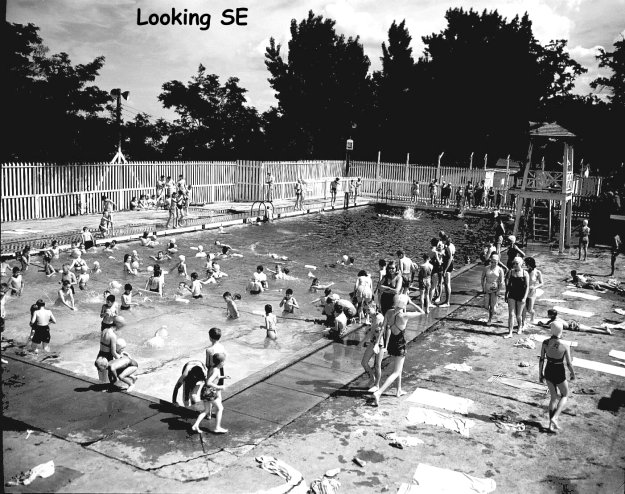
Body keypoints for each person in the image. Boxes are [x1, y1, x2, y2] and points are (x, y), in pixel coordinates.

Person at [371, 296, 420, 406]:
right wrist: (411, 302)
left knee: (399, 368)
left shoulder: (389, 312)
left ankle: (399, 390)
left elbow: (383, 328)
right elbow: (423, 312)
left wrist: (376, 343)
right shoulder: (404, 315)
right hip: (400, 344)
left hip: (392, 343)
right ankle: (379, 392)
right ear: (404, 304)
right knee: (396, 371)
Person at [539, 321, 576, 432]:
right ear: (561, 331)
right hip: (559, 371)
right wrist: (573, 374)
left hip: (548, 370)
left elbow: (541, 359)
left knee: (553, 397)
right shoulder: (565, 345)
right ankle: (555, 417)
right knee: (565, 394)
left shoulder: (545, 343)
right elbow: (569, 364)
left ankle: (550, 425)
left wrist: (540, 374)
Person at [191, 352, 228, 434]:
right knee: (220, 408)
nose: (225, 363)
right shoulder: (216, 371)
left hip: (205, 391)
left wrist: (223, 377)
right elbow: (209, 382)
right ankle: (217, 427)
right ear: (221, 363)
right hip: (209, 392)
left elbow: (214, 377)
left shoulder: (213, 367)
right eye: (224, 361)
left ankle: (196, 425)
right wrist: (219, 387)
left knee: (206, 410)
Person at [360, 304, 385, 392]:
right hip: (373, 342)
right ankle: (372, 378)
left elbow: (372, 332)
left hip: (379, 344)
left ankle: (377, 385)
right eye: (366, 310)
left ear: (374, 308)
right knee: (364, 362)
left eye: (368, 309)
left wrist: (362, 342)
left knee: (377, 365)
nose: (367, 312)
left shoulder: (378, 317)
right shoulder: (373, 316)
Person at [504, 257, 530, 338]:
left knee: (518, 315)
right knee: (511, 314)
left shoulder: (525, 273)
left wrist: (525, 298)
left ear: (521, 264)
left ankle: (520, 326)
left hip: (521, 295)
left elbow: (527, 287)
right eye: (514, 263)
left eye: (517, 263)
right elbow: (508, 285)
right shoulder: (510, 272)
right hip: (512, 294)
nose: (515, 265)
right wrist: (506, 294)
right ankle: (510, 332)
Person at [481, 253, 505, 326]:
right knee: (486, 305)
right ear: (490, 261)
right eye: (492, 262)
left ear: (498, 262)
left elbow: (501, 281)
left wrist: (499, 290)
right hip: (487, 286)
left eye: (495, 262)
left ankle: (490, 319)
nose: (493, 263)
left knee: (492, 306)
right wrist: (483, 288)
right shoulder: (486, 268)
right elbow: (482, 278)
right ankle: (493, 309)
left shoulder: (500, 269)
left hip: (495, 288)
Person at [436, 235, 455, 307]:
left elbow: (450, 258)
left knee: (447, 284)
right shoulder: (449, 246)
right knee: (447, 284)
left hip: (448, 266)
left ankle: (447, 302)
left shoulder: (448, 248)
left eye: (442, 240)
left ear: (444, 240)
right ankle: (446, 301)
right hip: (448, 265)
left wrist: (445, 270)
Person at [523, 257, 543, 325]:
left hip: (532, 292)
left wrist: (535, 287)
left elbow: (541, 283)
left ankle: (532, 318)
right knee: (524, 308)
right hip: (524, 291)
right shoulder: (525, 271)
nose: (526, 266)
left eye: (527, 264)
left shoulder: (537, 272)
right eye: (526, 264)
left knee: (530, 309)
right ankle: (523, 321)